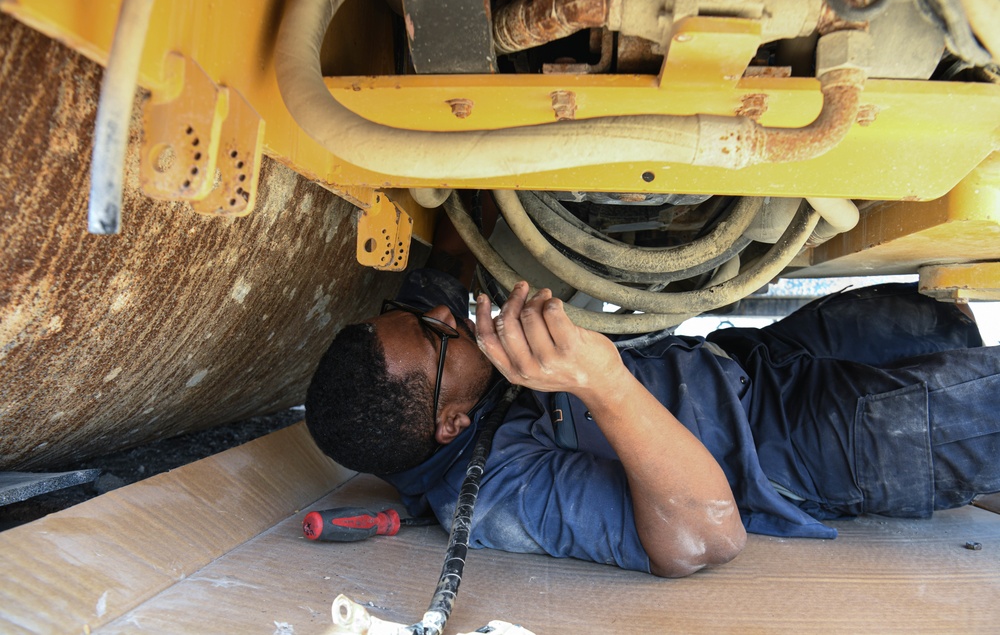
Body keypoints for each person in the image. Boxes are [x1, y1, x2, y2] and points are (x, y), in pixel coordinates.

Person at [306, 263, 999, 578]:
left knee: (942, 321)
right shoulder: (499, 492)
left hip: (753, 358)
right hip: (795, 442)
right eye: (438, 335)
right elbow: (706, 538)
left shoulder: (453, 392)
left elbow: (436, 281)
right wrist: (601, 380)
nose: (445, 315)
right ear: (450, 423)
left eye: (420, 315)